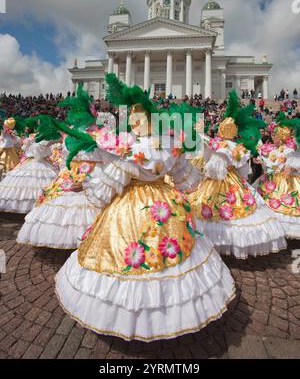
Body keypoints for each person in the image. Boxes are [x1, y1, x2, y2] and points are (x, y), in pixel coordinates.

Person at [54, 73, 235, 342]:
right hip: (165, 202)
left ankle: (136, 319)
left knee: (128, 254)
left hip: (129, 207)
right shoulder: (169, 146)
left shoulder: (129, 150)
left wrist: (91, 187)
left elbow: (107, 186)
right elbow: (187, 180)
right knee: (174, 250)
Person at [189, 90, 286, 258]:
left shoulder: (220, 147)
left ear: (221, 130)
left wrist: (204, 176)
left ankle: (218, 243)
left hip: (217, 183)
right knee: (240, 211)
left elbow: (214, 170)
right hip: (235, 182)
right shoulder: (236, 147)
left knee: (213, 211)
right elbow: (243, 170)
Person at [17, 86, 106, 248]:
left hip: (93, 178)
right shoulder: (67, 133)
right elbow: (39, 150)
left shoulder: (103, 135)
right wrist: (46, 139)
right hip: (67, 177)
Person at [0, 118, 58, 213]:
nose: (26, 129)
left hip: (33, 162)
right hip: (37, 162)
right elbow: (44, 152)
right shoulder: (38, 138)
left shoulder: (31, 138)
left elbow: (25, 149)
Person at [256, 113, 300, 239]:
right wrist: (262, 160)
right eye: (272, 135)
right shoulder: (276, 148)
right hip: (274, 179)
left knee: (284, 204)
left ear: (280, 137)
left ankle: (282, 231)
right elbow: (270, 160)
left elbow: (277, 166)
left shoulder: (287, 150)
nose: (272, 137)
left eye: (274, 135)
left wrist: (263, 162)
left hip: (285, 182)